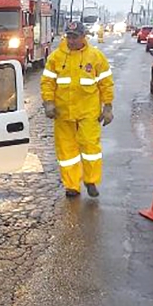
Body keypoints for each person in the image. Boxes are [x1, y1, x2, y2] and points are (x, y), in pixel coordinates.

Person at [40, 21, 114, 198]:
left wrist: (108, 107)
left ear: (83, 37)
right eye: (69, 37)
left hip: (89, 113)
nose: (71, 41)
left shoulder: (95, 57)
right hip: (63, 114)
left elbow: (106, 83)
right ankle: (72, 185)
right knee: (67, 152)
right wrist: (48, 103)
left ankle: (91, 180)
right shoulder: (56, 58)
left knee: (90, 148)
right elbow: (47, 82)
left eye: (75, 37)